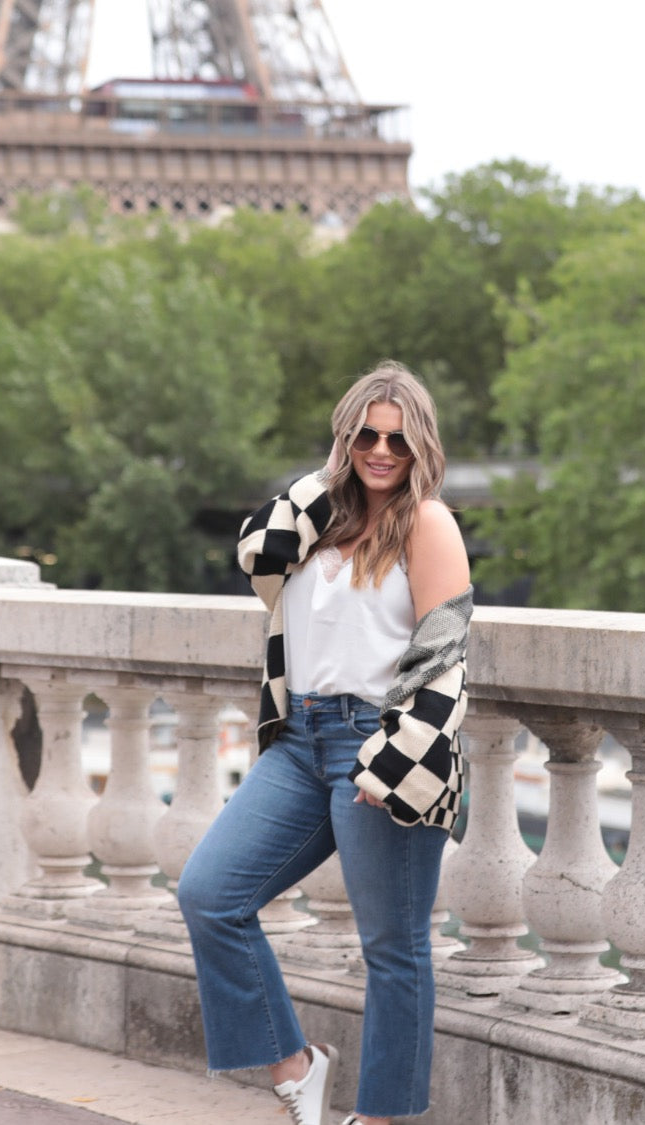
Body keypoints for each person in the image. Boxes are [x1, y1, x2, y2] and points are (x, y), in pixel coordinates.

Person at [178, 360, 473, 1125]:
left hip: (378, 747)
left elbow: (444, 655)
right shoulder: (317, 519)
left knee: (394, 950)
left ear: (421, 447)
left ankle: (380, 1120)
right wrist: (330, 476)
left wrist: (397, 760)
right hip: (299, 737)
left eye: (398, 441)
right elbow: (253, 550)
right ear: (346, 438)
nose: (382, 452)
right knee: (210, 893)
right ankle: (296, 1066)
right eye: (366, 436)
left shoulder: (429, 522)